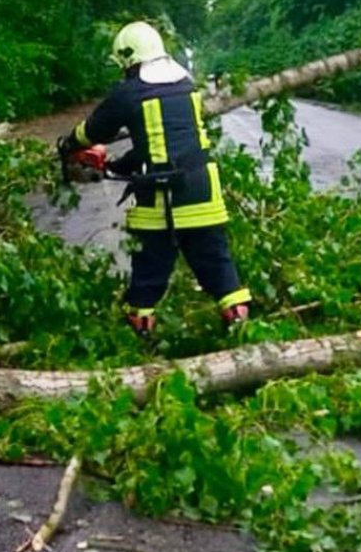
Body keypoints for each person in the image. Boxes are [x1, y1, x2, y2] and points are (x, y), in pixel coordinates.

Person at [58, 21, 251, 336]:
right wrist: (119, 166)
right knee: (219, 269)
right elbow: (160, 145)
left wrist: (69, 144)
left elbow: (94, 130)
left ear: (127, 58)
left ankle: (140, 340)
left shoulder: (129, 92)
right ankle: (241, 333)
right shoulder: (186, 85)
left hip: (162, 198)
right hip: (204, 191)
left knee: (148, 275)